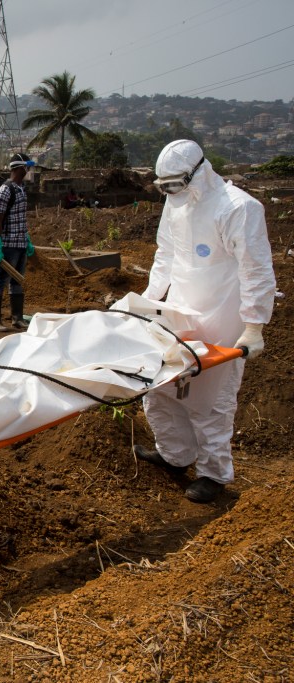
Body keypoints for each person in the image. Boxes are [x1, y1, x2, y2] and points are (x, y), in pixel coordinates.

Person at [134, 140, 275, 503]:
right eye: (164, 187)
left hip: (223, 319)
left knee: (211, 400)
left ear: (200, 172)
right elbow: (165, 254)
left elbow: (256, 270)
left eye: (175, 185)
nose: (171, 193)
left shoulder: (239, 208)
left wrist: (254, 326)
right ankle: (175, 455)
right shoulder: (176, 203)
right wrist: (148, 302)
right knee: (162, 387)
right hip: (181, 313)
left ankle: (214, 474)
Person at [0, 152, 35, 332]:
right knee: (1, 280)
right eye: (26, 166)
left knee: (17, 281)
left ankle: (17, 318)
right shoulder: (5, 189)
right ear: (18, 168)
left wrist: (27, 239)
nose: (28, 169)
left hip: (21, 243)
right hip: (8, 244)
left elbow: (20, 218)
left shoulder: (21, 188)